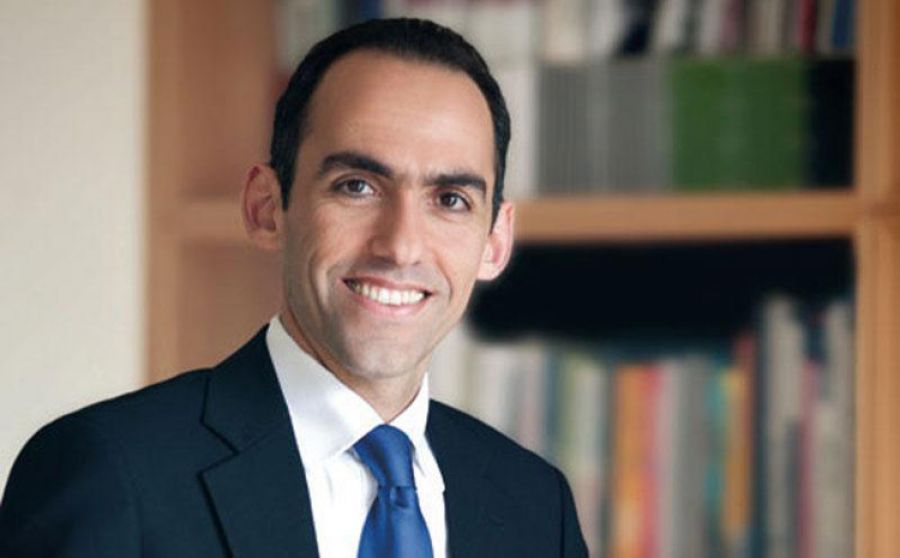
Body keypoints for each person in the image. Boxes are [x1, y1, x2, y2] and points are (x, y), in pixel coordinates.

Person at [0, 18, 587, 557]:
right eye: (357, 186)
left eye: (451, 200)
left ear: (495, 240)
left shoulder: (537, 507)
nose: (401, 246)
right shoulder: (110, 473)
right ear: (266, 208)